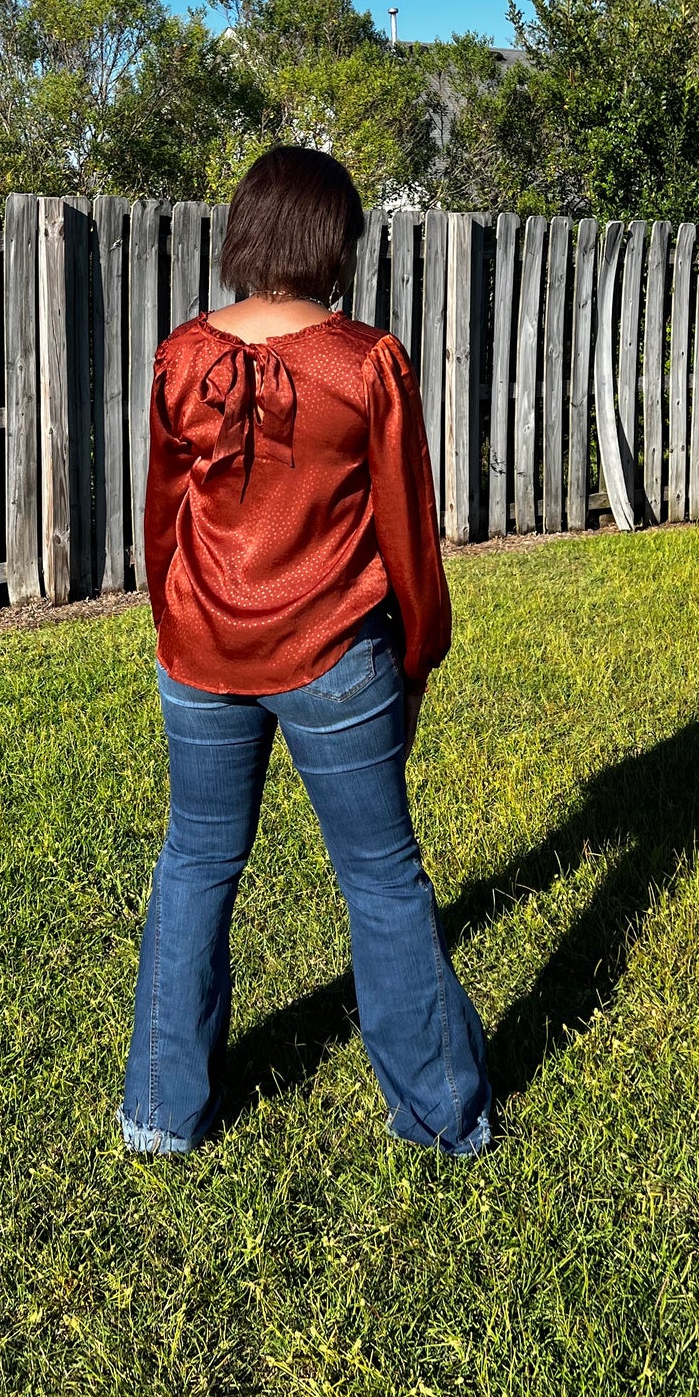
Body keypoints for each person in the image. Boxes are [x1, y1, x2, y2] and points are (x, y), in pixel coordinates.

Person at [120, 145, 491, 1157]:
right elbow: (406, 525)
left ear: (246, 232)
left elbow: (162, 521)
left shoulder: (181, 353)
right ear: (334, 241)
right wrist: (419, 654)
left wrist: (176, 624)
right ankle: (441, 1116)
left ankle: (161, 1115)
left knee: (194, 862)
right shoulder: (363, 359)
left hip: (198, 653)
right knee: (381, 878)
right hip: (337, 654)